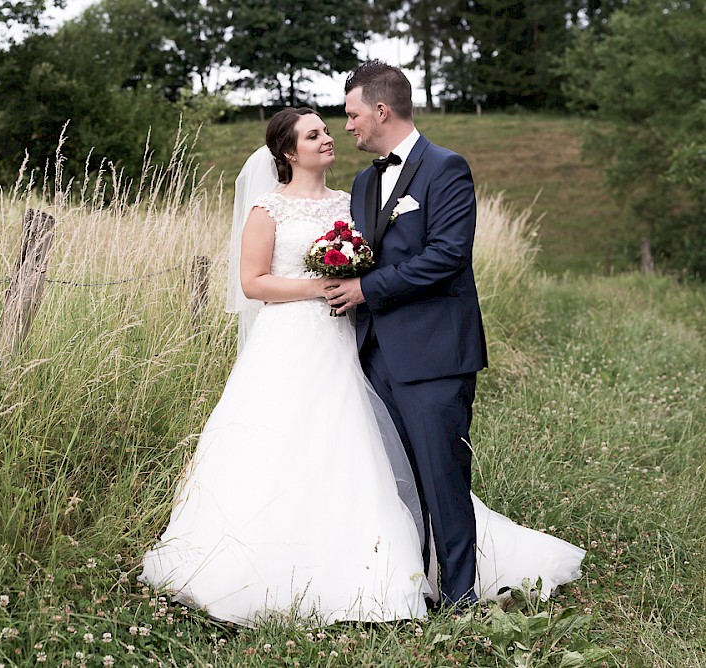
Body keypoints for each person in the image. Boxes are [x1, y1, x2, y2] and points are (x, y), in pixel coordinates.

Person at [139, 106, 584, 628]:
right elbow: (253, 283)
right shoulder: (267, 209)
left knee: (358, 448)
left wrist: (352, 286)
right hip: (289, 343)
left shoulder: (352, 200)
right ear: (287, 152)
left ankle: (394, 566)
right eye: (314, 134)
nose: (330, 136)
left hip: (350, 342)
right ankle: (272, 566)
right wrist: (318, 288)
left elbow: (385, 261)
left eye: (329, 128)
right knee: (279, 446)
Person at [324, 60, 486, 609]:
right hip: (374, 356)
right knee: (398, 481)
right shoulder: (364, 181)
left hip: (435, 353)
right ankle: (410, 589)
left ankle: (460, 597)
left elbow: (447, 255)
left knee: (443, 477)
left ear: (381, 110)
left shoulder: (446, 168)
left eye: (351, 114)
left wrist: (369, 290)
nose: (347, 126)